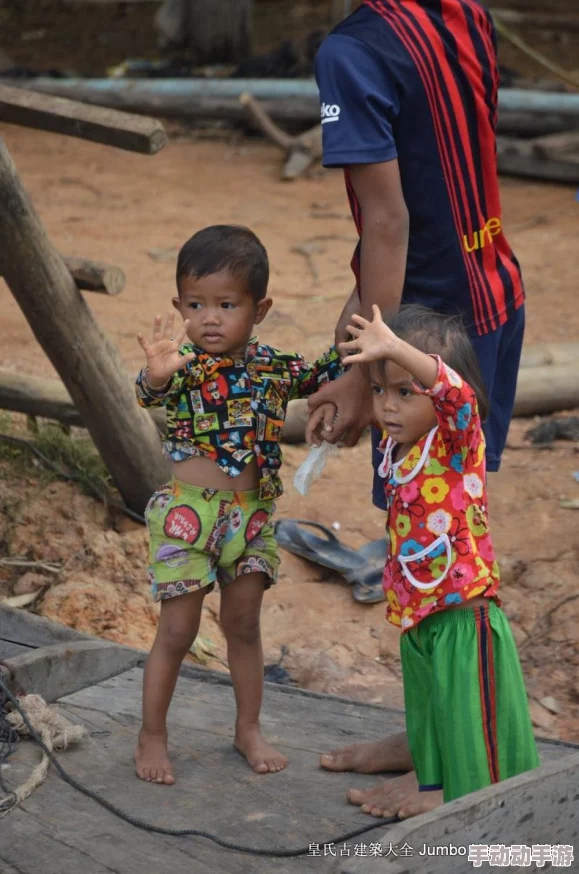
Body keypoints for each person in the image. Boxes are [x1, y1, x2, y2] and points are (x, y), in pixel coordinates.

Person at [309, 0, 526, 816]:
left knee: (441, 564)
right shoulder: (461, 11)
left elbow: (390, 221)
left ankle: (450, 773)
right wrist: (353, 342)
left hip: (421, 340)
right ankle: (427, 732)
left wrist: (370, 368)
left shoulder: (351, 53)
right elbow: (434, 196)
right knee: (427, 537)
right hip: (489, 303)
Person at [134, 225, 341, 784]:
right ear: (179, 306)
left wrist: (359, 341)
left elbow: (323, 374)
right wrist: (155, 375)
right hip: (187, 518)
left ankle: (247, 727)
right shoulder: (180, 365)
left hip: (251, 518)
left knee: (243, 624)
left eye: (227, 305)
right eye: (195, 304)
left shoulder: (274, 367)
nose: (210, 318)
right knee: (177, 631)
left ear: (259, 309)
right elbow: (149, 390)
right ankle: (152, 735)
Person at [336, 302, 538, 811]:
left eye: (406, 392)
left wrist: (396, 348)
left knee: (470, 714)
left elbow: (458, 395)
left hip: (464, 616)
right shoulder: (399, 448)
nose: (388, 407)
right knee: (431, 709)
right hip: (419, 614)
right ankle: (430, 780)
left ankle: (458, 794)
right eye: (379, 390)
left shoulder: (457, 440)